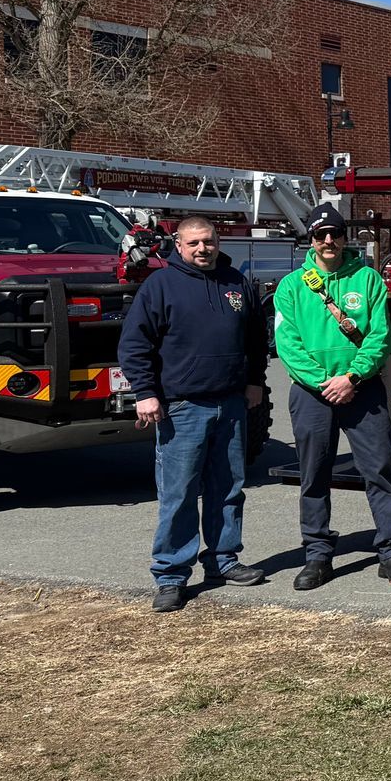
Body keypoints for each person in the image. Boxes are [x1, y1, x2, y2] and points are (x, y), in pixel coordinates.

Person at [118, 216, 268, 612]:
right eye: (194, 243)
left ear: (218, 242)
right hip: (181, 407)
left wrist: (255, 381)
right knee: (179, 493)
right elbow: (134, 345)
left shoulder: (237, 282)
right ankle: (170, 575)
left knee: (229, 488)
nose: (203, 249)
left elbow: (255, 338)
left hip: (232, 404)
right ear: (179, 247)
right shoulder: (161, 285)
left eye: (209, 241)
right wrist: (146, 393)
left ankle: (223, 560)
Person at [274, 203, 391, 590]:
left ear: (344, 237)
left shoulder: (368, 279)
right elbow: (287, 344)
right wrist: (325, 381)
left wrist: (351, 377)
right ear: (312, 240)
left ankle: (390, 552)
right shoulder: (291, 287)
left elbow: (380, 337)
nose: (328, 241)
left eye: (334, 233)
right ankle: (317, 555)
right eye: (320, 234)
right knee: (314, 475)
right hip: (312, 393)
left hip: (362, 387)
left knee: (380, 472)